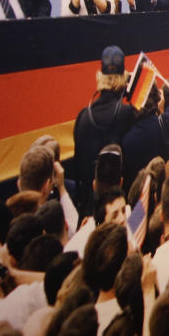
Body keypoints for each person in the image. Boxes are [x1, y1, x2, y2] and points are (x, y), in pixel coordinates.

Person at [72, 45, 136, 216]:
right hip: (117, 209)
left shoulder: (82, 117)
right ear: (124, 79)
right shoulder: (126, 113)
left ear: (100, 77)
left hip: (89, 208)